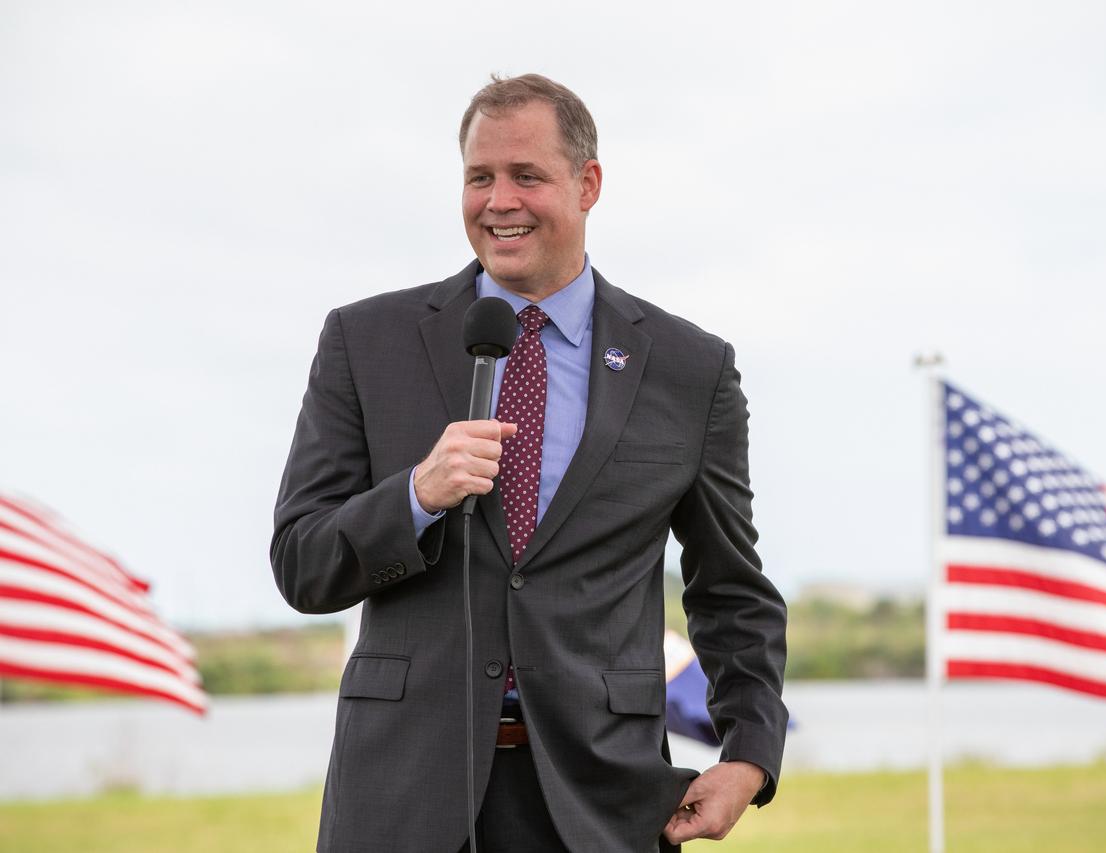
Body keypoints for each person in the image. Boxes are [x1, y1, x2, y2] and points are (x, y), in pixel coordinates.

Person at [271, 73, 788, 853]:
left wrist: (749, 752)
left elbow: (732, 590)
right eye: (479, 177)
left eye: (526, 176)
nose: (498, 201)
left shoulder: (691, 370)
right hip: (402, 799)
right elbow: (301, 562)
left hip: (600, 803)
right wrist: (415, 495)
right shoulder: (364, 340)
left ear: (588, 185)